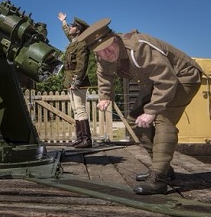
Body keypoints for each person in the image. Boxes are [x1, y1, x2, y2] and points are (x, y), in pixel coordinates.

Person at [78, 18, 203, 195]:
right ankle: (163, 169)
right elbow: (104, 74)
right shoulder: (102, 55)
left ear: (114, 37)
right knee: (134, 119)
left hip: (182, 77)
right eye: (101, 52)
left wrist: (151, 111)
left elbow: (167, 80)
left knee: (162, 120)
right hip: (154, 82)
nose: (107, 53)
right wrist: (105, 96)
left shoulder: (139, 47)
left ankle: (158, 179)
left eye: (109, 47)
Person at [57, 12, 93, 148]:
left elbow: (82, 65)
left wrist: (76, 82)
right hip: (70, 81)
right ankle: (80, 138)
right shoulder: (74, 43)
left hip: (78, 82)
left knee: (80, 109)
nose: (70, 27)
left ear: (78, 30)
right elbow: (67, 33)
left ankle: (86, 139)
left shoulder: (82, 44)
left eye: (72, 26)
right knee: (76, 110)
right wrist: (63, 22)